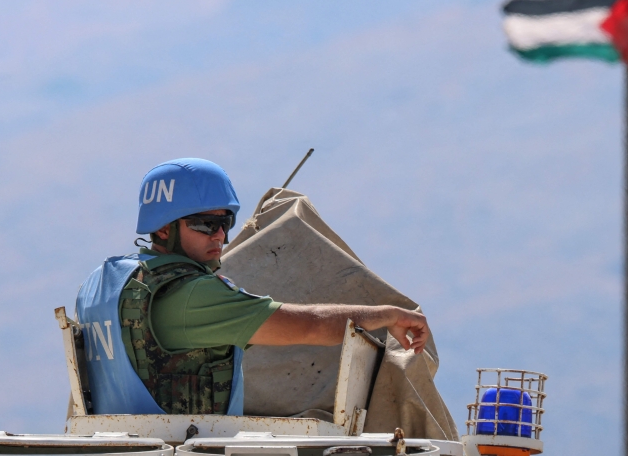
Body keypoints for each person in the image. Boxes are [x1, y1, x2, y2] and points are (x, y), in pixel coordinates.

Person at [76, 158, 429, 416]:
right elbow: (312, 326)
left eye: (224, 222)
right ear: (163, 229)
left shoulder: (99, 284)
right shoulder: (192, 295)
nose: (220, 236)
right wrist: (386, 313)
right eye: (204, 223)